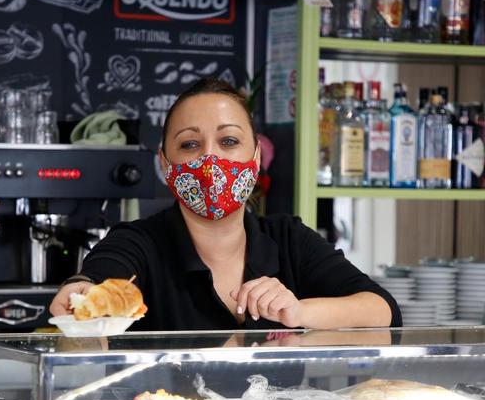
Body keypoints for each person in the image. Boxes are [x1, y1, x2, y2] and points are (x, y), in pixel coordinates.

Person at [50, 78, 400, 331]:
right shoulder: (138, 242)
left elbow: (382, 310)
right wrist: (80, 293)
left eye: (229, 140)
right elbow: (99, 277)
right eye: (189, 145)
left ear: (256, 156)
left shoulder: (288, 239)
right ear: (164, 163)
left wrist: (298, 312)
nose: (210, 158)